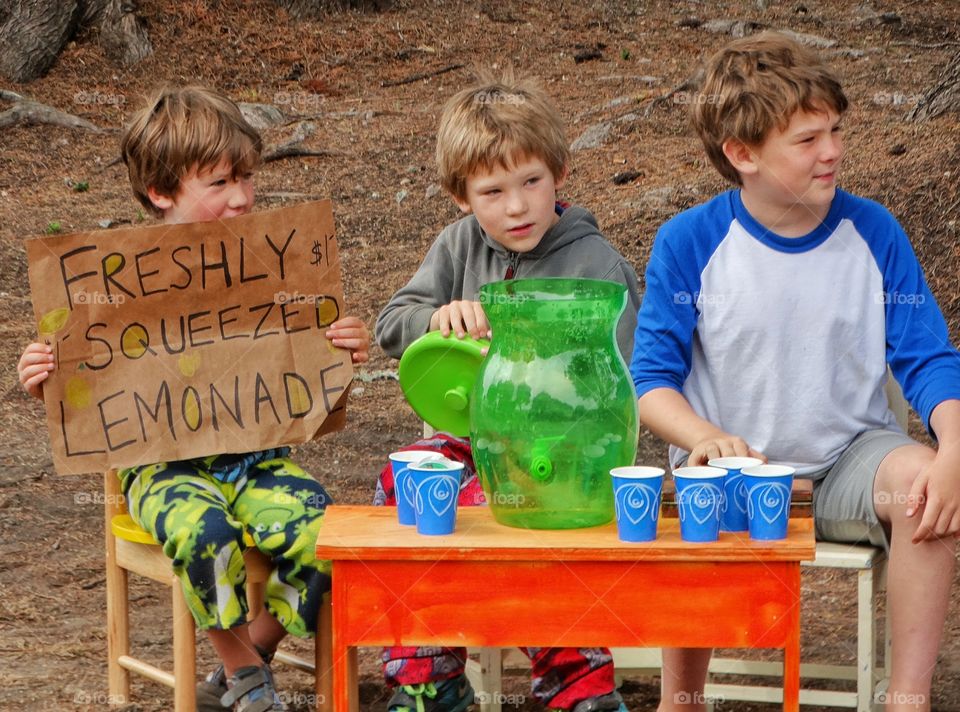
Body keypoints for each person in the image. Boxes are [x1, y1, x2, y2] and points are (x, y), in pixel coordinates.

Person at [630, 32, 960, 711]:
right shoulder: (690, 242)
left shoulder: (874, 232)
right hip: (734, 474)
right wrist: (703, 436)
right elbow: (651, 383)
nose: (833, 151)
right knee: (693, 489)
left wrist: (954, 445)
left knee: (925, 488)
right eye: (807, 141)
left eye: (835, 131)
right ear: (742, 154)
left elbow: (927, 359)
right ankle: (681, 699)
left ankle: (908, 699)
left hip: (845, 465)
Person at [16, 86, 370, 712]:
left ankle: (245, 655)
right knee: (205, 531)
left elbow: (308, 344)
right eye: (218, 182)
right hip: (162, 469)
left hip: (256, 461)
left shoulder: (272, 259)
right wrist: (42, 369)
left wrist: (342, 343)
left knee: (330, 532)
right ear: (162, 191)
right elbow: (81, 372)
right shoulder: (112, 277)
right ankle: (246, 672)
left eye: (246, 178)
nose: (241, 197)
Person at [375, 71, 640, 712]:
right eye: (492, 192)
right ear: (461, 197)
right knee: (406, 480)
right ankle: (427, 678)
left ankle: (577, 684)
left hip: (564, 459)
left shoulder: (595, 264)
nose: (516, 207)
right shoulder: (459, 245)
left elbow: (622, 370)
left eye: (531, 183)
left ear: (559, 173)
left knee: (513, 516)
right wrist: (438, 318)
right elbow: (392, 323)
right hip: (477, 440)